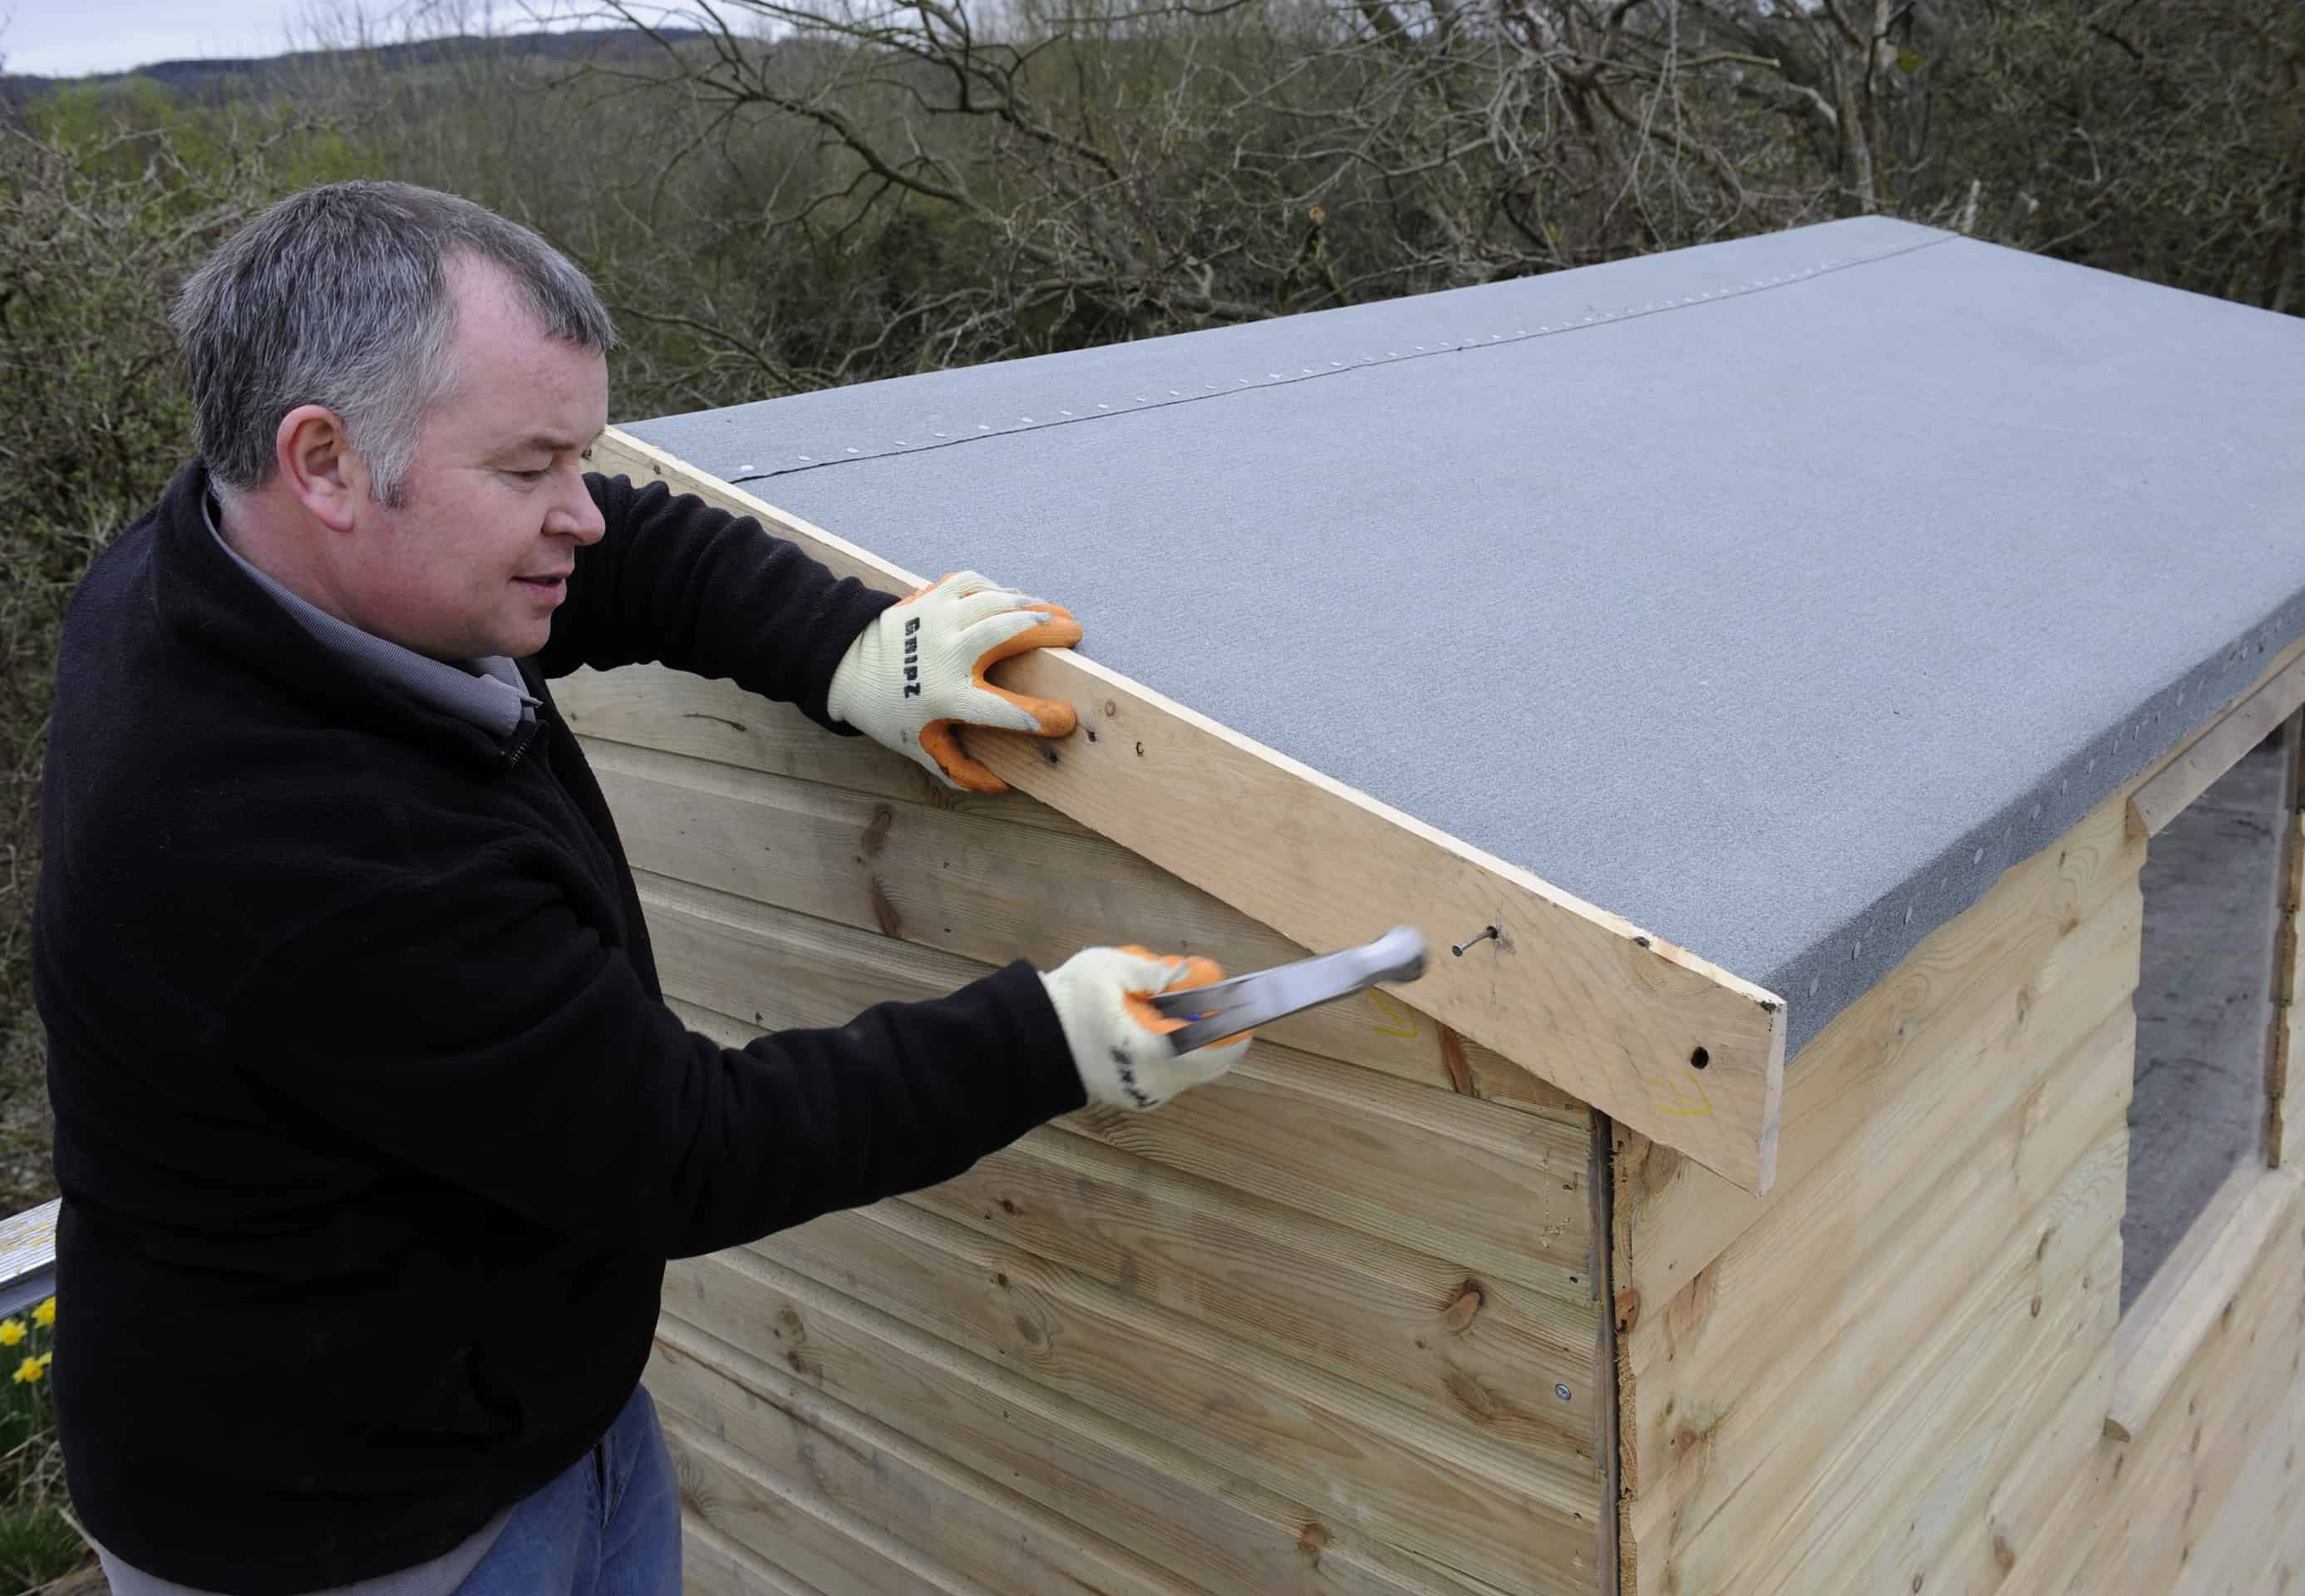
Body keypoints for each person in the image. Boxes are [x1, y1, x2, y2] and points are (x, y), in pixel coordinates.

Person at [32, 180, 1251, 1596]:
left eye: (580, 456)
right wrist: (1046, 1042)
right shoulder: (294, 847)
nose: (581, 515)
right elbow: (685, 1152)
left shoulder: (230, 557)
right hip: (352, 1532)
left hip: (511, 1409)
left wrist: (846, 647)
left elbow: (616, 553)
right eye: (528, 467)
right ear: (325, 462)